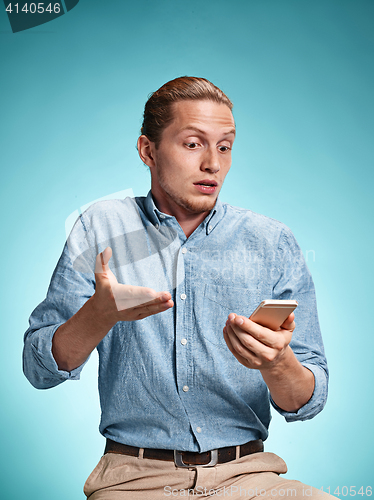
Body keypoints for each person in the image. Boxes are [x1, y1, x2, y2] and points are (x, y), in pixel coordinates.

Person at [23, 76, 331, 499]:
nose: (213, 164)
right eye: (193, 144)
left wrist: (276, 363)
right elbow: (38, 369)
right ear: (148, 150)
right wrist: (99, 314)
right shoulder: (102, 225)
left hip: (249, 478)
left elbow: (308, 401)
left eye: (224, 146)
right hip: (133, 481)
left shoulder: (271, 241)